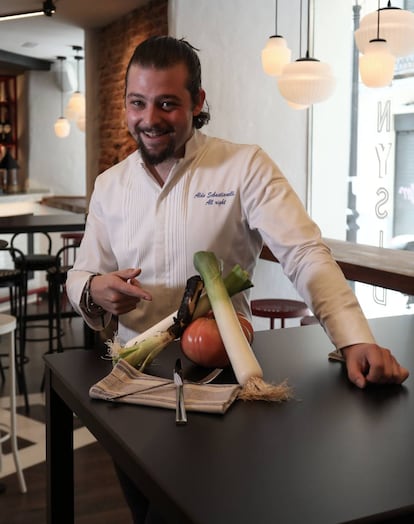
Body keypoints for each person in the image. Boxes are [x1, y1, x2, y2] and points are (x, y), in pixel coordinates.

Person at [66, 35, 409, 523]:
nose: (149, 119)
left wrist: (355, 339)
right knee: (145, 511)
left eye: (167, 103)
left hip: (225, 380)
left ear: (198, 102)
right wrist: (94, 288)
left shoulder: (244, 164)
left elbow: (304, 252)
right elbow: (82, 271)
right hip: (133, 381)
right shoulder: (110, 184)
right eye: (137, 103)